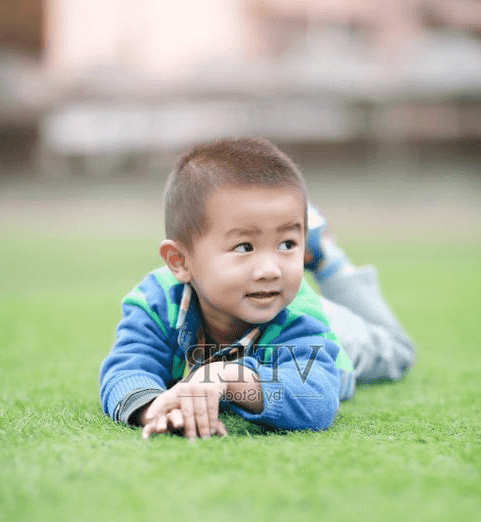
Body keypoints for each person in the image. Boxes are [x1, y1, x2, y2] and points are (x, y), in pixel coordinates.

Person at [100, 137, 414, 440]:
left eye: (287, 244)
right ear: (180, 261)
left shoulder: (299, 314)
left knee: (396, 352)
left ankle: (326, 257)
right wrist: (157, 409)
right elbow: (126, 369)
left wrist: (226, 377)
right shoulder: (156, 303)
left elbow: (315, 397)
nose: (269, 270)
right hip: (271, 309)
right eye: (244, 246)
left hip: (334, 335)